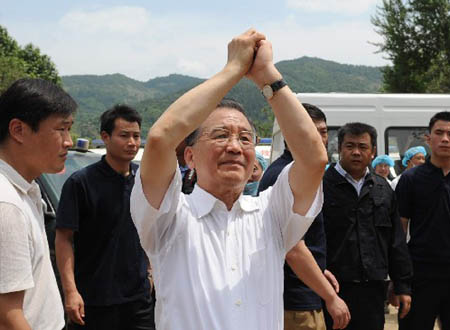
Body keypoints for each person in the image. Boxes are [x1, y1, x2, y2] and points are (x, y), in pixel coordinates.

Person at [130, 29, 328, 329]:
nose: (235, 147)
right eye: (220, 135)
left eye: (245, 138)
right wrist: (234, 69)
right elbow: (159, 139)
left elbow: (315, 159)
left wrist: (267, 76)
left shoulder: (271, 214)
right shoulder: (169, 217)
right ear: (190, 157)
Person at [55, 105, 154, 330]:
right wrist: (70, 291)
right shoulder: (81, 183)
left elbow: (151, 229)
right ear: (105, 137)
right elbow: (64, 238)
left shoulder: (143, 179)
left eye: (137, 136)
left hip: (138, 300)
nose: (132, 142)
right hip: (93, 299)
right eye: (124, 135)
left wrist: (151, 274)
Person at [258, 103, 350, 330]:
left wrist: (318, 270)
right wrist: (330, 297)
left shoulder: (301, 171)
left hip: (303, 290)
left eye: (323, 131)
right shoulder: (285, 174)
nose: (320, 138)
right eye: (311, 130)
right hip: (295, 300)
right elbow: (292, 248)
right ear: (290, 133)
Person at [0, 78, 76, 329]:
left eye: (69, 129)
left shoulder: (25, 189)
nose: (69, 141)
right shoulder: (6, 203)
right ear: (18, 130)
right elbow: (8, 317)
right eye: (61, 129)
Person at [322, 122, 413, 330]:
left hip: (372, 290)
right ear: (339, 149)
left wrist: (401, 285)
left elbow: (395, 241)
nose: (356, 152)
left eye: (362, 147)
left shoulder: (382, 189)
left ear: (373, 152)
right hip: (331, 289)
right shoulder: (322, 186)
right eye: (350, 146)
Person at [396, 111, 450, 330]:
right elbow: (399, 232)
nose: (445, 138)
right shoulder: (411, 179)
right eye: (439, 133)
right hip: (420, 276)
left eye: (449, 133)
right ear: (428, 138)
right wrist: (400, 282)